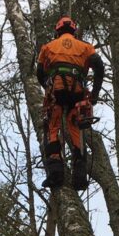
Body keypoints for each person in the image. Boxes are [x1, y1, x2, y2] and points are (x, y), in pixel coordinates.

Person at [36, 15, 105, 190]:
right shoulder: (86, 47)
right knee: (75, 130)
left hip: (56, 93)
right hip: (77, 93)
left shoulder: (47, 47)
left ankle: (55, 173)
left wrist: (48, 86)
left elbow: (39, 73)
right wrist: (95, 94)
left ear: (57, 30)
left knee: (52, 127)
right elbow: (99, 67)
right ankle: (80, 178)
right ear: (74, 30)